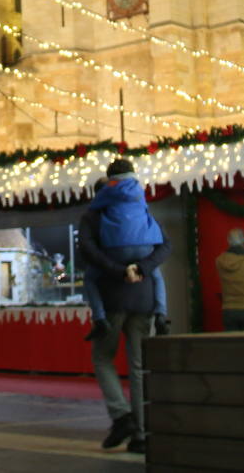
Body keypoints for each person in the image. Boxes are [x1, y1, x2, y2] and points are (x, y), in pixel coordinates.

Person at [79, 184, 169, 455]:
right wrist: (159, 308)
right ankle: (141, 436)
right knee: (139, 368)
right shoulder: (141, 212)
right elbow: (161, 253)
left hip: (111, 299)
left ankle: (121, 416)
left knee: (103, 358)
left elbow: (88, 258)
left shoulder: (95, 217)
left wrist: (118, 271)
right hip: (143, 299)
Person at [84, 160, 169, 340]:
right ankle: (161, 313)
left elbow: (87, 246)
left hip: (116, 251)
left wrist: (121, 270)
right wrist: (142, 267)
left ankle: (99, 318)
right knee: (156, 274)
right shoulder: (139, 191)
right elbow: (165, 244)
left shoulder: (105, 196)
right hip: (145, 249)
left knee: (90, 277)